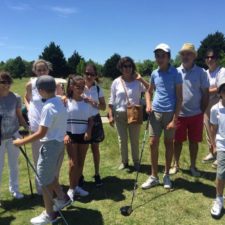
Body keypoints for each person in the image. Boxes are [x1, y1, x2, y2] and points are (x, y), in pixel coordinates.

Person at [14, 75, 71, 225]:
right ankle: (62, 198)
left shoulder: (48, 107)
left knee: (44, 180)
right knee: (50, 175)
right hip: (58, 144)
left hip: (50, 146)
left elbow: (40, 133)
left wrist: (21, 142)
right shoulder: (59, 102)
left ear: (40, 90)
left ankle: (50, 215)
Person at [141, 43, 183, 190]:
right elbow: (148, 91)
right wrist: (147, 104)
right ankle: (154, 176)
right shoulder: (154, 73)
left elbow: (179, 97)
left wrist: (174, 119)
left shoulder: (176, 74)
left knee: (168, 143)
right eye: (157, 56)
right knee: (153, 143)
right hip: (155, 113)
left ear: (169, 57)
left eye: (163, 56)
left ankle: (166, 174)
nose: (160, 58)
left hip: (170, 113)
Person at [170, 43, 209, 177]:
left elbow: (205, 94)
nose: (185, 56)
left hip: (196, 114)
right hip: (179, 114)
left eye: (188, 54)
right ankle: (176, 164)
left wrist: (201, 111)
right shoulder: (175, 72)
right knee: (177, 141)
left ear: (194, 56)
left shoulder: (201, 72)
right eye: (183, 54)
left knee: (194, 142)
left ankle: (193, 166)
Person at [24, 59, 63, 194]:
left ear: (48, 70)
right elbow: (27, 98)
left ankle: (54, 185)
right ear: (35, 71)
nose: (41, 72)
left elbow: (61, 100)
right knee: (38, 158)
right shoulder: (30, 84)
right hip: (36, 126)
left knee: (53, 159)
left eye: (44, 69)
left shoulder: (55, 84)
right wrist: (29, 108)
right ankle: (41, 189)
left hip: (52, 127)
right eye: (39, 70)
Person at [108, 56, 149, 171]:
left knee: (134, 140)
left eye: (130, 66)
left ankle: (136, 162)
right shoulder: (116, 82)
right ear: (121, 67)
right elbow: (111, 100)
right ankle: (124, 162)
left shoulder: (137, 81)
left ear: (132, 67)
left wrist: (141, 79)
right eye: (125, 66)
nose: (127, 68)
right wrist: (110, 115)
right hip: (119, 114)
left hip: (134, 113)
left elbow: (150, 89)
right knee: (122, 140)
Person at [65, 75, 94, 200]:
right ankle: (71, 189)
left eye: (83, 87)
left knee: (80, 163)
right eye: (78, 87)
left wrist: (88, 131)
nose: (81, 89)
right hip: (70, 135)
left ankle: (76, 186)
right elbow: (60, 120)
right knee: (73, 163)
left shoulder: (87, 102)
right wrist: (65, 134)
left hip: (83, 135)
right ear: (72, 87)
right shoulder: (65, 101)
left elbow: (91, 120)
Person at [0, 72, 28, 200]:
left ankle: (15, 189)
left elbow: (19, 116)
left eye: (8, 82)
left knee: (14, 165)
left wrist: (27, 128)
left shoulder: (15, 97)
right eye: (3, 82)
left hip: (13, 135)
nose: (6, 85)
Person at [83, 64, 106, 187]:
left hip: (95, 120)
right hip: (82, 121)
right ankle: (80, 176)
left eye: (91, 74)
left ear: (95, 76)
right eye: (87, 73)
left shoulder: (98, 89)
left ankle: (97, 174)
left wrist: (93, 102)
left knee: (95, 149)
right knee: (82, 150)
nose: (89, 76)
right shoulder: (79, 87)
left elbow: (103, 106)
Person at [202, 48, 222, 167]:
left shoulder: (221, 71)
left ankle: (220, 156)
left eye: (212, 57)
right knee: (208, 130)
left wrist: (205, 92)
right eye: (208, 57)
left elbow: (221, 88)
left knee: (218, 130)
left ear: (217, 59)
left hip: (219, 104)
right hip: (206, 105)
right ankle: (212, 152)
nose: (210, 59)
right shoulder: (205, 73)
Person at [210, 77, 225, 217]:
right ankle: (219, 198)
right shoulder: (216, 109)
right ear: (220, 92)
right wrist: (213, 145)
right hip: (222, 145)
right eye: (224, 89)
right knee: (221, 173)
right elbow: (213, 128)